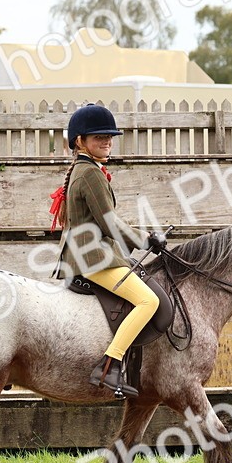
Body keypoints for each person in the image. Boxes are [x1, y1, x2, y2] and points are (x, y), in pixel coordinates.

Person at [49, 103, 166, 397]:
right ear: (80, 141)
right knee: (148, 302)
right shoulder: (89, 173)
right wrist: (146, 240)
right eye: (99, 137)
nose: (107, 141)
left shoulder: (85, 169)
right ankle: (109, 365)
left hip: (89, 253)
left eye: (110, 136)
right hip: (94, 259)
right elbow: (109, 222)